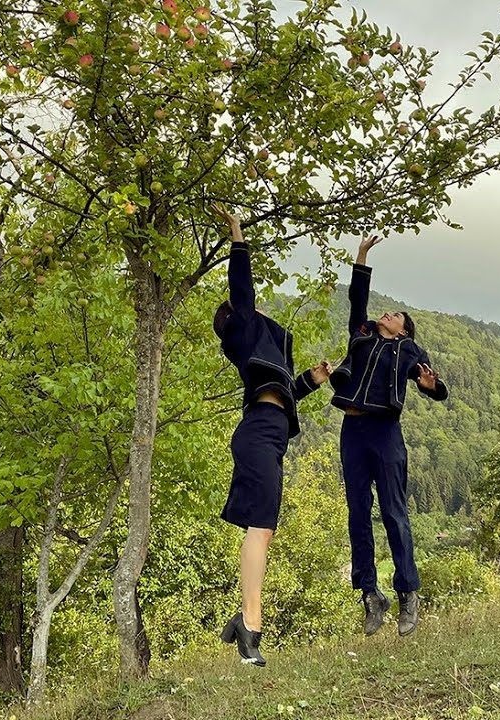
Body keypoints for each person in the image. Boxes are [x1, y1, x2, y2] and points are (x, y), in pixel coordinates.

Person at [212, 204, 332, 666]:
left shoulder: (263, 350)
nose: (260, 307)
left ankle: (245, 621)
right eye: (251, 308)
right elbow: (241, 288)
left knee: (264, 532)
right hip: (259, 433)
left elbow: (282, 393)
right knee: (260, 530)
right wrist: (237, 233)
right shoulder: (242, 330)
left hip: (271, 432)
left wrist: (310, 381)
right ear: (238, 317)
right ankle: (251, 628)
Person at [328, 234, 449, 637]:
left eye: (396, 314)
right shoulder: (361, 333)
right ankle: (369, 594)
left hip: (385, 433)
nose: (388, 313)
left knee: (395, 514)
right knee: (358, 514)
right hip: (353, 430)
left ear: (403, 329)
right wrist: (361, 256)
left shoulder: (410, 350)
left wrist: (431, 386)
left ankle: (407, 594)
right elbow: (357, 299)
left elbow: (431, 385)